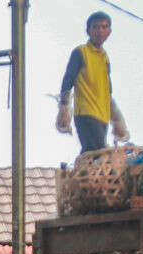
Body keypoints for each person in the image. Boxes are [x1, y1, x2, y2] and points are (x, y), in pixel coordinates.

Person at [55, 11, 128, 154]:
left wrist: (117, 119)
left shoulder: (105, 58)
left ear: (109, 32)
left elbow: (108, 91)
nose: (99, 31)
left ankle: (79, 173)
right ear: (88, 30)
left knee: (94, 155)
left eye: (104, 27)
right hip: (86, 113)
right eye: (95, 27)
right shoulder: (81, 52)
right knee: (98, 154)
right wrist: (64, 108)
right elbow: (68, 80)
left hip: (102, 116)